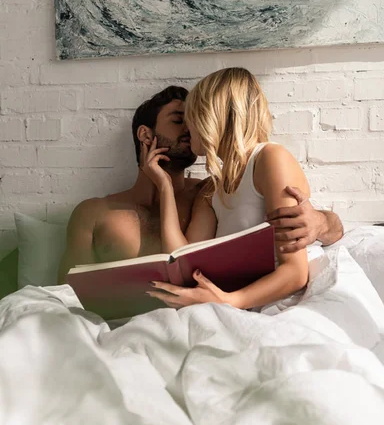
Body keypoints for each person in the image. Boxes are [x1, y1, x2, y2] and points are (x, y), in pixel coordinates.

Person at [58, 84, 343, 287]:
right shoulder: (94, 212)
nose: (190, 129)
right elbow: (63, 293)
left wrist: (320, 221)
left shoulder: (215, 190)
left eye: (194, 120)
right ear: (145, 135)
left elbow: (297, 216)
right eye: (179, 120)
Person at [143, 68, 343, 311]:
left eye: (190, 117)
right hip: (244, 298)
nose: (187, 128)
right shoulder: (212, 188)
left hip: (284, 298)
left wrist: (228, 301)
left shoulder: (270, 159)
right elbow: (183, 260)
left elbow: (295, 272)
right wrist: (164, 186)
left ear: (211, 116)